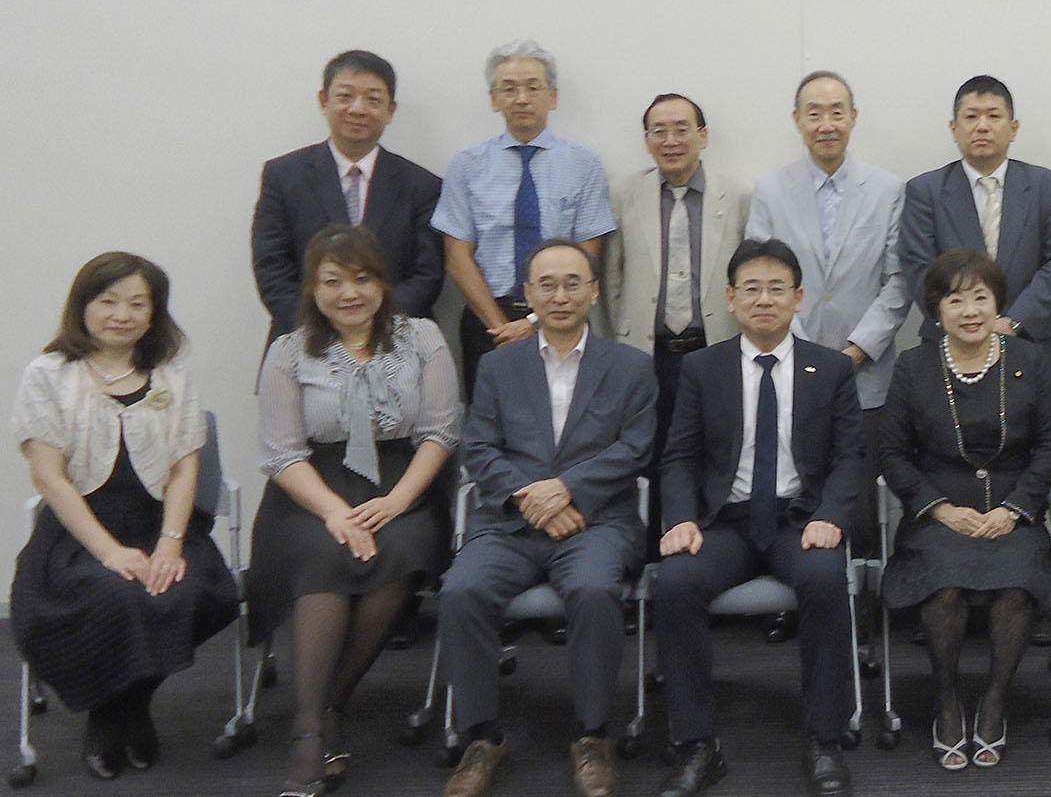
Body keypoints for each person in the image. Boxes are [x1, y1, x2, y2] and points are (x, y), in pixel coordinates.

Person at [436, 240, 656, 797]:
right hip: (510, 520)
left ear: (594, 290)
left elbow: (635, 448)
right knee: (461, 590)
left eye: (573, 283)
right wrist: (528, 497)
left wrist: (565, 490)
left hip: (597, 521)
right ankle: (483, 738)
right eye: (547, 285)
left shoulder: (631, 366)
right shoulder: (498, 365)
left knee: (594, 590)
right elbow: (479, 447)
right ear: (528, 294)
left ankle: (591, 735)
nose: (560, 296)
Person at [246, 226, 459, 795]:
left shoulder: (423, 338)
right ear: (312, 289)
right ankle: (313, 730)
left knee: (401, 552)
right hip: (313, 487)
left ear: (382, 283)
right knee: (323, 555)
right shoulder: (289, 352)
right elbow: (282, 453)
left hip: (403, 480)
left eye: (362, 279)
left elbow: (440, 433)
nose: (349, 293)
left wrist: (397, 501)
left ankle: (322, 708)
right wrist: (336, 512)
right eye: (332, 281)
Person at [651, 238, 866, 797]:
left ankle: (824, 737)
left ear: (798, 299)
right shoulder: (702, 368)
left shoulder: (833, 368)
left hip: (801, 519)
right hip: (727, 522)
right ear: (730, 298)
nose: (764, 299)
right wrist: (680, 519)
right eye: (751, 288)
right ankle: (697, 745)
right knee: (674, 582)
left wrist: (833, 517)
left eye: (777, 289)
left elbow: (850, 458)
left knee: (823, 577)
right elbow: (678, 455)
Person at [10, 252, 235, 781]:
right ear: (82, 306)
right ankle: (111, 718)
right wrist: (109, 552)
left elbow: (185, 469)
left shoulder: (171, 375)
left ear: (154, 312)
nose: (122, 313)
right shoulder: (48, 374)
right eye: (108, 300)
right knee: (115, 594)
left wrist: (171, 544)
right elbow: (49, 478)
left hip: (160, 524)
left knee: (190, 591)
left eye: (138, 303)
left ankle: (127, 705)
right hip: (79, 532)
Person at [878, 249, 1051, 772]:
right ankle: (945, 700)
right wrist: (937, 509)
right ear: (936, 310)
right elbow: (892, 453)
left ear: (998, 304)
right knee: (944, 587)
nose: (969, 310)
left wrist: (1015, 509)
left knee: (1015, 586)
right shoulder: (913, 367)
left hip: (1012, 513)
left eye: (980, 297)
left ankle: (994, 699)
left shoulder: (1030, 361)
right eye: (954, 299)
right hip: (939, 515)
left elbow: (1050, 445)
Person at [747, 71, 911, 570]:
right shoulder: (771, 189)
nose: (826, 124)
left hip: (866, 374)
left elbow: (899, 281)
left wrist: (856, 351)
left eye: (836, 112)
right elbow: (760, 277)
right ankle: (796, 592)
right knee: (791, 488)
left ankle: (864, 604)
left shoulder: (887, 189)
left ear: (853, 118)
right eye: (813, 113)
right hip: (786, 367)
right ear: (797, 120)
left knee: (858, 498)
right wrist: (800, 350)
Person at [604, 92, 749, 549]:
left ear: (702, 136)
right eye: (658, 131)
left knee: (714, 453)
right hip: (648, 356)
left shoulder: (739, 196)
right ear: (646, 141)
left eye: (681, 129)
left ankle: (707, 552)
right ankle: (649, 559)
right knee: (648, 455)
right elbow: (611, 278)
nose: (670, 140)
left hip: (714, 351)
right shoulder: (624, 193)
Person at [432, 39, 615, 394]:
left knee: (564, 423)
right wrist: (502, 328)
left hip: (562, 315)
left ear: (553, 96)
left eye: (533, 87)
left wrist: (534, 323)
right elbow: (457, 257)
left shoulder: (584, 165)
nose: (521, 98)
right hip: (488, 321)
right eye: (509, 89)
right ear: (494, 98)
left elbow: (589, 255)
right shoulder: (467, 166)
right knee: (492, 427)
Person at [252, 50, 445, 347]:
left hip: (396, 344)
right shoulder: (283, 176)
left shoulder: (422, 185)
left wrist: (372, 329)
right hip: (303, 343)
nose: (358, 108)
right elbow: (272, 268)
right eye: (345, 96)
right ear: (323, 101)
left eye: (373, 99)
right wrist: (323, 329)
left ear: (391, 110)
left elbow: (426, 275)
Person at [898, 75, 1051, 393]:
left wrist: (1013, 322)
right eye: (971, 116)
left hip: (1030, 343)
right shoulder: (924, 191)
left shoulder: (1047, 188)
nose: (982, 126)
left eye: (994, 116)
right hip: (948, 348)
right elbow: (918, 267)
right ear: (954, 128)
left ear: (1014, 127)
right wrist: (966, 324)